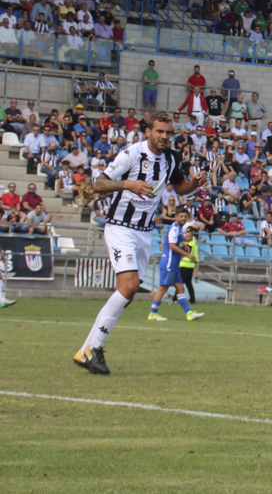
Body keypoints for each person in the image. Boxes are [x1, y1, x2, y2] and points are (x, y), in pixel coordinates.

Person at [74, 113, 207, 375]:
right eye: (160, 131)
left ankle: (85, 350)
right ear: (147, 132)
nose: (165, 136)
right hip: (120, 227)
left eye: (168, 132)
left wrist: (195, 184)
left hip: (144, 233)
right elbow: (98, 184)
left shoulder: (171, 158)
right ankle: (95, 348)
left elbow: (179, 187)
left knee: (127, 293)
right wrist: (128, 184)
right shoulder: (130, 154)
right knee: (130, 285)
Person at [147, 209, 205, 322]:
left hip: (174, 264)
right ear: (176, 217)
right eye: (181, 216)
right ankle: (152, 314)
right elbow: (172, 246)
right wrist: (187, 254)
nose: (183, 218)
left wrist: (184, 246)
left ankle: (189, 313)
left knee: (180, 288)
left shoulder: (178, 229)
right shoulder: (174, 228)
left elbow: (177, 243)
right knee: (163, 288)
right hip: (169, 263)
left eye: (185, 217)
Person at [177, 228, 199, 305]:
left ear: (191, 237)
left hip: (185, 266)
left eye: (187, 236)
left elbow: (183, 253)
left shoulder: (189, 245)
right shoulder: (194, 243)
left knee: (180, 283)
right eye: (185, 236)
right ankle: (192, 299)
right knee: (188, 284)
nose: (185, 237)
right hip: (189, 265)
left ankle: (174, 299)